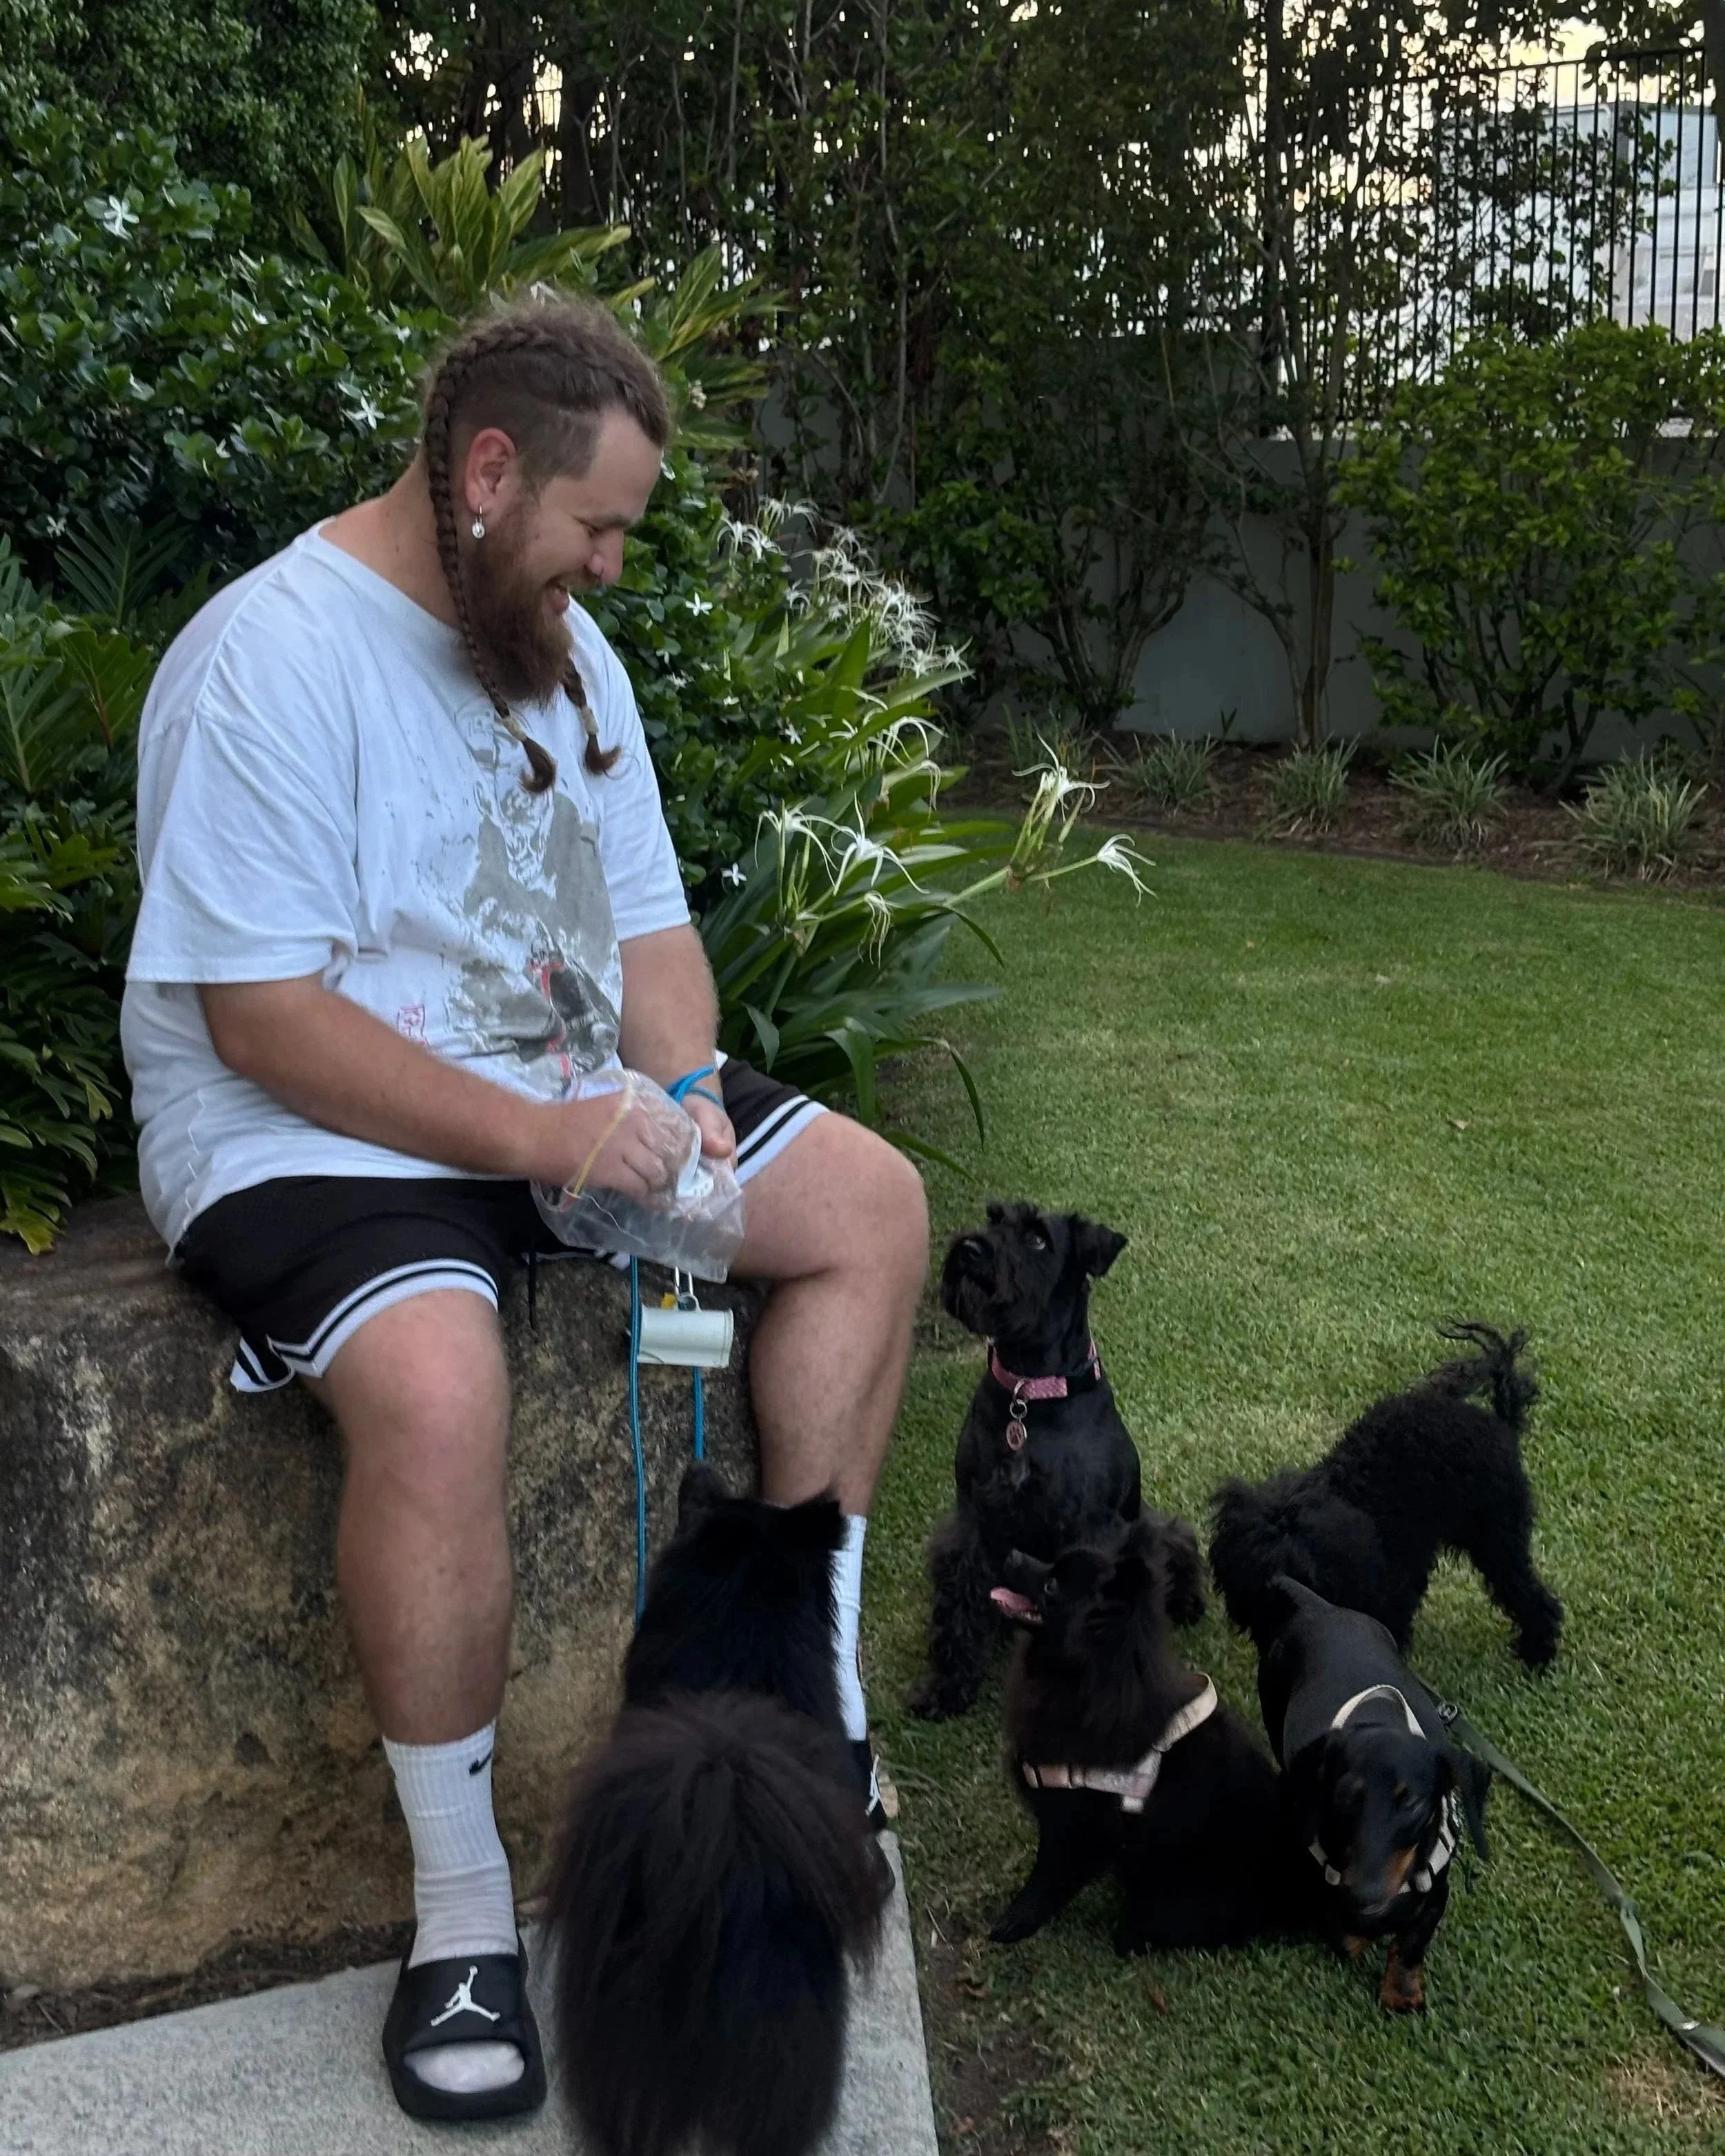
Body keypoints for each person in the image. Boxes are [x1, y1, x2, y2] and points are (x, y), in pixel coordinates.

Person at [120, 292, 929, 2123]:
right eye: (597, 525)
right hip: (299, 1127)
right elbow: (262, 1015)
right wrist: (544, 1139)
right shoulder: (269, 659)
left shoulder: (562, 656)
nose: (611, 567)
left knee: (868, 1205)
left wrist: (684, 1103)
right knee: (433, 1380)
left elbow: (648, 943)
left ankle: (813, 1713)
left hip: (557, 1100)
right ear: (490, 474)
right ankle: (467, 1912)